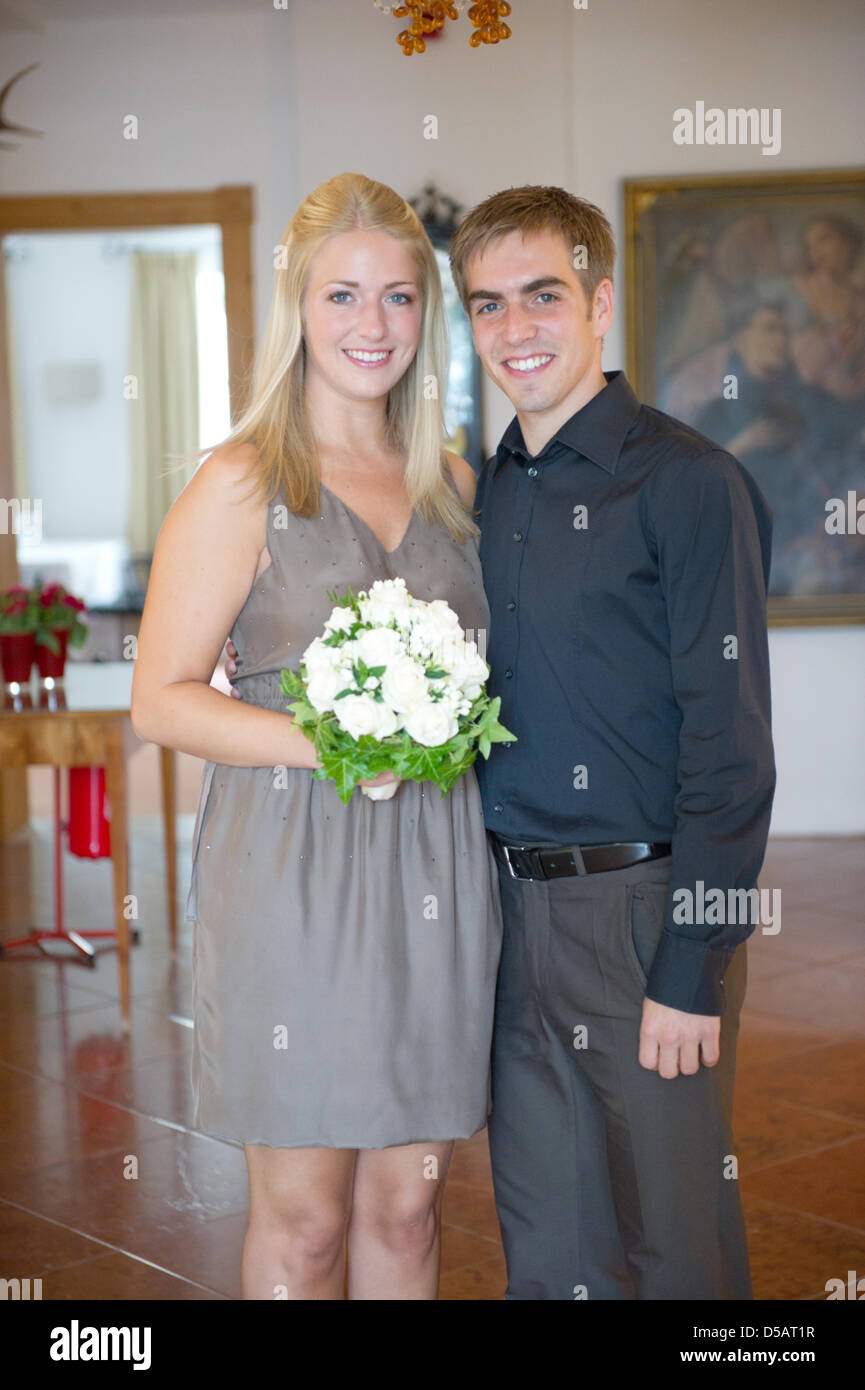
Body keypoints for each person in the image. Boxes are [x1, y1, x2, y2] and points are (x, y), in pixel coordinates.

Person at [131, 172, 503, 1300]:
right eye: (342, 296)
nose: (371, 326)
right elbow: (161, 698)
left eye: (397, 298)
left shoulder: (453, 483)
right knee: (304, 1227)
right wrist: (335, 747)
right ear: (297, 306)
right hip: (290, 870)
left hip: (436, 865)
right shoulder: (243, 483)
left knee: (408, 1203)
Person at [445, 185, 776, 1299]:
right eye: (487, 305)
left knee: (677, 1249)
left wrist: (693, 966)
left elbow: (731, 748)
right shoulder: (483, 492)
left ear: (598, 299)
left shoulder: (688, 483)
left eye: (542, 295)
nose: (515, 329)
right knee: (550, 1249)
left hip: (643, 918)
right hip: (507, 914)